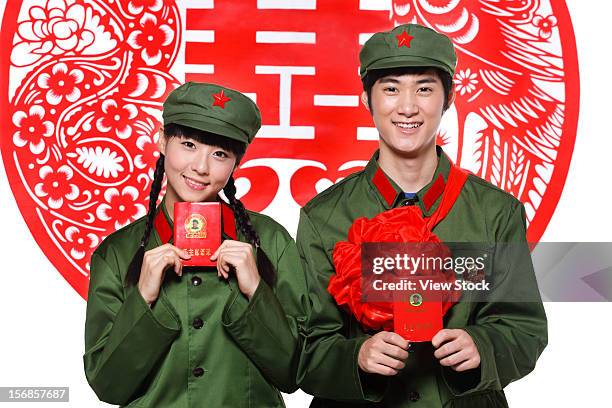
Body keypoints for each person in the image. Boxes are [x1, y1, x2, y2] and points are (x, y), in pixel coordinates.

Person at [296, 24, 547, 407]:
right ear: (367, 99)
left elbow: (524, 328)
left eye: (425, 88)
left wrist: (482, 346)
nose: (408, 106)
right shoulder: (324, 217)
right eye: (391, 88)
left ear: (448, 98)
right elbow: (307, 346)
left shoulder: (494, 212)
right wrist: (355, 357)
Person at [84, 82, 308, 407]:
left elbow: (294, 374)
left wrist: (255, 292)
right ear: (162, 140)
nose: (201, 167)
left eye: (220, 154)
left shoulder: (270, 240)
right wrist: (143, 298)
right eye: (188, 144)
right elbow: (108, 385)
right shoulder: (117, 252)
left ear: (236, 164)